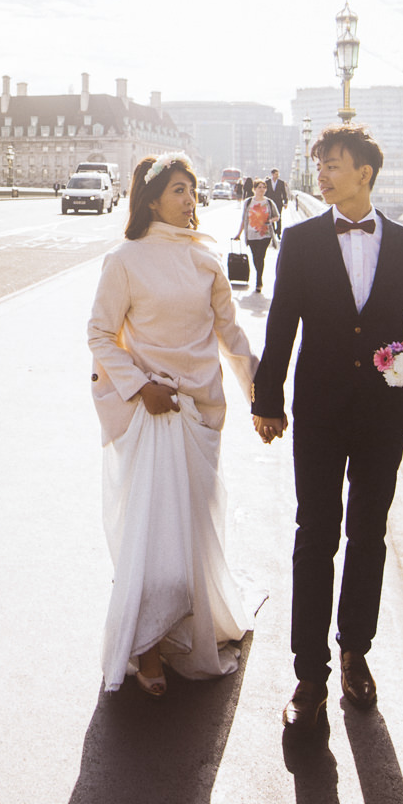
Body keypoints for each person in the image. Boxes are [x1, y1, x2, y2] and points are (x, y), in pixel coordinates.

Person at [251, 124, 403, 731]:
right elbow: (281, 323)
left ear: (365, 172)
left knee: (368, 536)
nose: (323, 175)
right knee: (315, 535)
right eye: (320, 165)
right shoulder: (302, 241)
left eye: (334, 165)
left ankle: (355, 652)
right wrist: (268, 399)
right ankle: (310, 676)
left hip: (382, 417)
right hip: (320, 413)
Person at [86, 152, 256, 698]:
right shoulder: (125, 260)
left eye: (194, 189)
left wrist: (262, 398)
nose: (190, 199)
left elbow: (231, 339)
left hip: (202, 412)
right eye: (180, 189)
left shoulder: (206, 260)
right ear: (153, 198)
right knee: (155, 538)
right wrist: (140, 387)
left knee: (196, 528)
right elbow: (99, 335)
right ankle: (147, 644)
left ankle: (187, 627)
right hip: (151, 414)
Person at [236, 178, 278, 292]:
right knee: (255, 257)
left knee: (261, 256)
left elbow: (277, 216)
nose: (262, 189)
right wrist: (238, 234)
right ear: (254, 189)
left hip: (265, 234)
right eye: (259, 187)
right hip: (251, 234)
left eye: (264, 187)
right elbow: (243, 219)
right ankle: (259, 276)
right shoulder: (248, 202)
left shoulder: (269, 202)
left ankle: (258, 281)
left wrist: (269, 221)